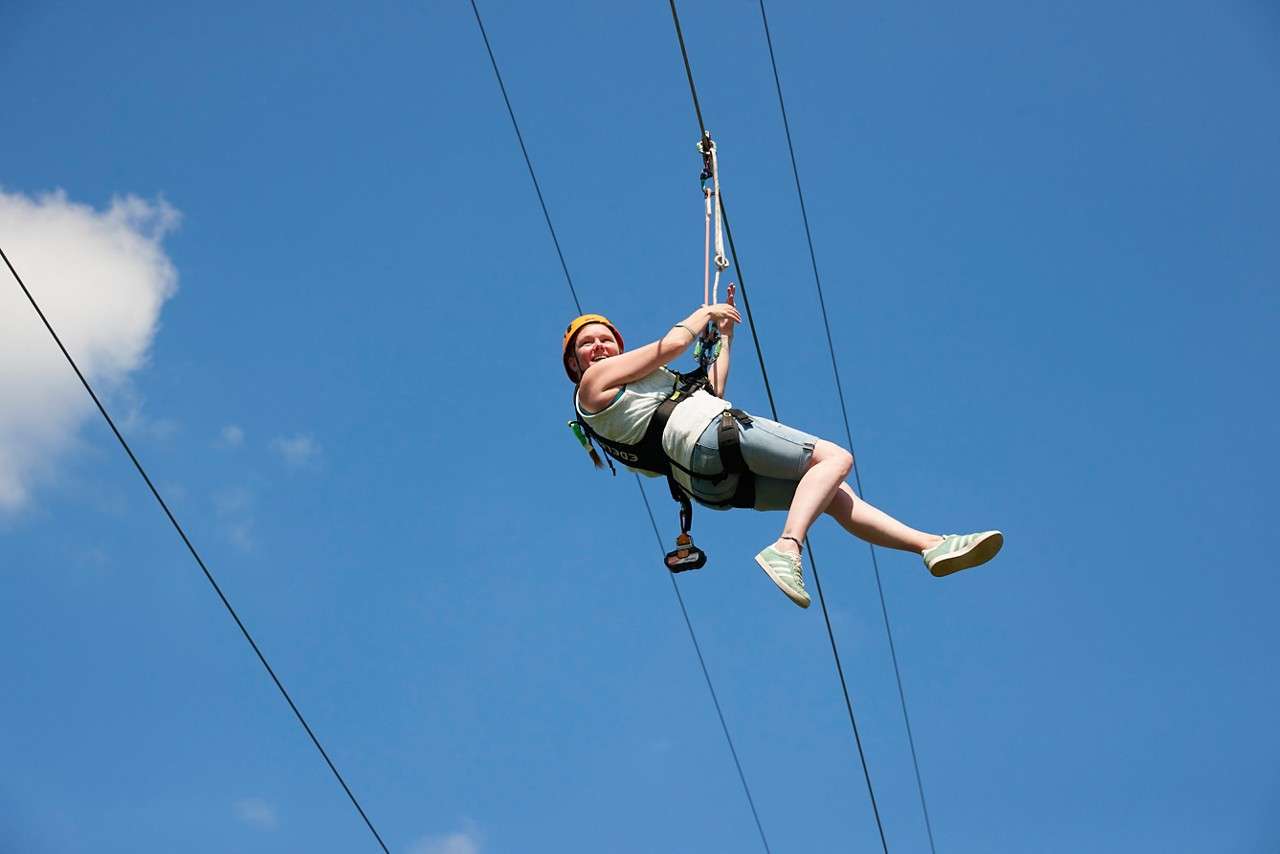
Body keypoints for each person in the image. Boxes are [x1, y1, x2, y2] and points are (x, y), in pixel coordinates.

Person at [563, 307, 1002, 608]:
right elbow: (672, 345)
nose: (598, 347)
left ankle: (930, 546)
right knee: (834, 459)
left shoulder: (632, 397)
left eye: (605, 339)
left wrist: (725, 337)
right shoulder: (593, 384)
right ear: (574, 364)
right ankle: (787, 547)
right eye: (587, 344)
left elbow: (711, 391)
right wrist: (705, 313)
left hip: (708, 482)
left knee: (832, 494)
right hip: (709, 437)